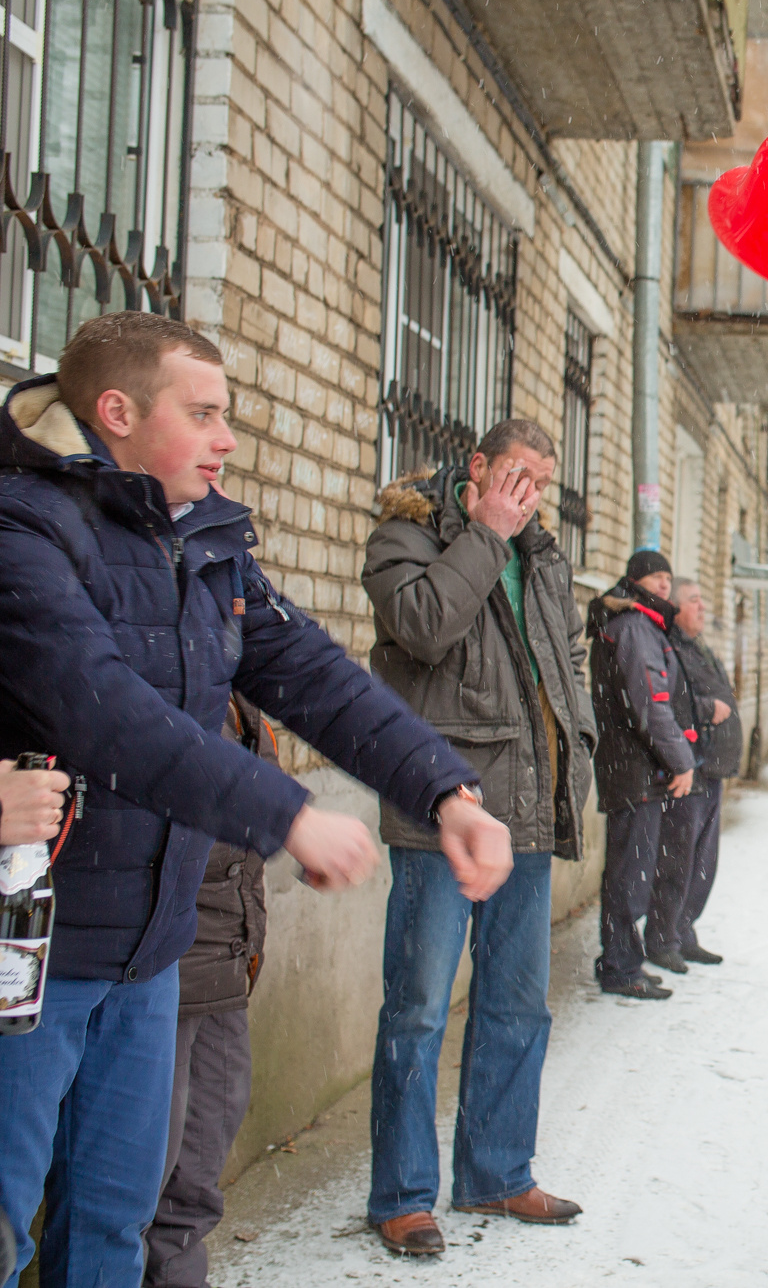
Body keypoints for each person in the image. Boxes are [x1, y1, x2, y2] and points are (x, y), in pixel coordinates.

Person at [0, 311, 511, 1288]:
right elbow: (104, 710)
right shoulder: (26, 525)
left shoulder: (201, 539)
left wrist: (444, 790)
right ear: (118, 412)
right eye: (202, 414)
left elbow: (315, 675)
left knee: (112, 1226)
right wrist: (286, 812)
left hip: (149, 956)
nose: (227, 439)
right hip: (31, 952)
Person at [363, 418, 598, 1255]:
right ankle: (401, 1194)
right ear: (479, 467)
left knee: (517, 1004)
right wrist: (488, 534)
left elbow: (565, 659)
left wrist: (580, 738)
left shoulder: (543, 557)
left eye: (542, 482)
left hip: (526, 811)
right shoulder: (407, 536)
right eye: (517, 475)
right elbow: (424, 626)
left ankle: (497, 1173)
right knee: (419, 1007)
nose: (529, 495)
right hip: (444, 806)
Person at [145, 696, 278, 1288]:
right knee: (138, 1176)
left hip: (226, 960)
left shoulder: (241, 689)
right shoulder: (161, 675)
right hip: (162, 968)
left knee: (199, 1166)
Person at [586, 550, 692, 999]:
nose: (664, 584)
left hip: (635, 768)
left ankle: (624, 961)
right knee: (629, 876)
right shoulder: (633, 626)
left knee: (632, 872)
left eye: (668, 576)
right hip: (633, 769)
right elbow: (650, 702)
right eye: (655, 576)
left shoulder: (643, 624)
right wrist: (681, 760)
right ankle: (620, 967)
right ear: (635, 581)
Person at [648, 576, 740, 972]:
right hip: (689, 768)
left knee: (703, 861)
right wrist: (706, 709)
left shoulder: (696, 645)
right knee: (677, 860)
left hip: (711, 769)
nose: (702, 607)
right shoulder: (670, 647)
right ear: (675, 607)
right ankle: (661, 938)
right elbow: (671, 702)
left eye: (703, 599)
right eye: (694, 600)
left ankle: (683, 931)